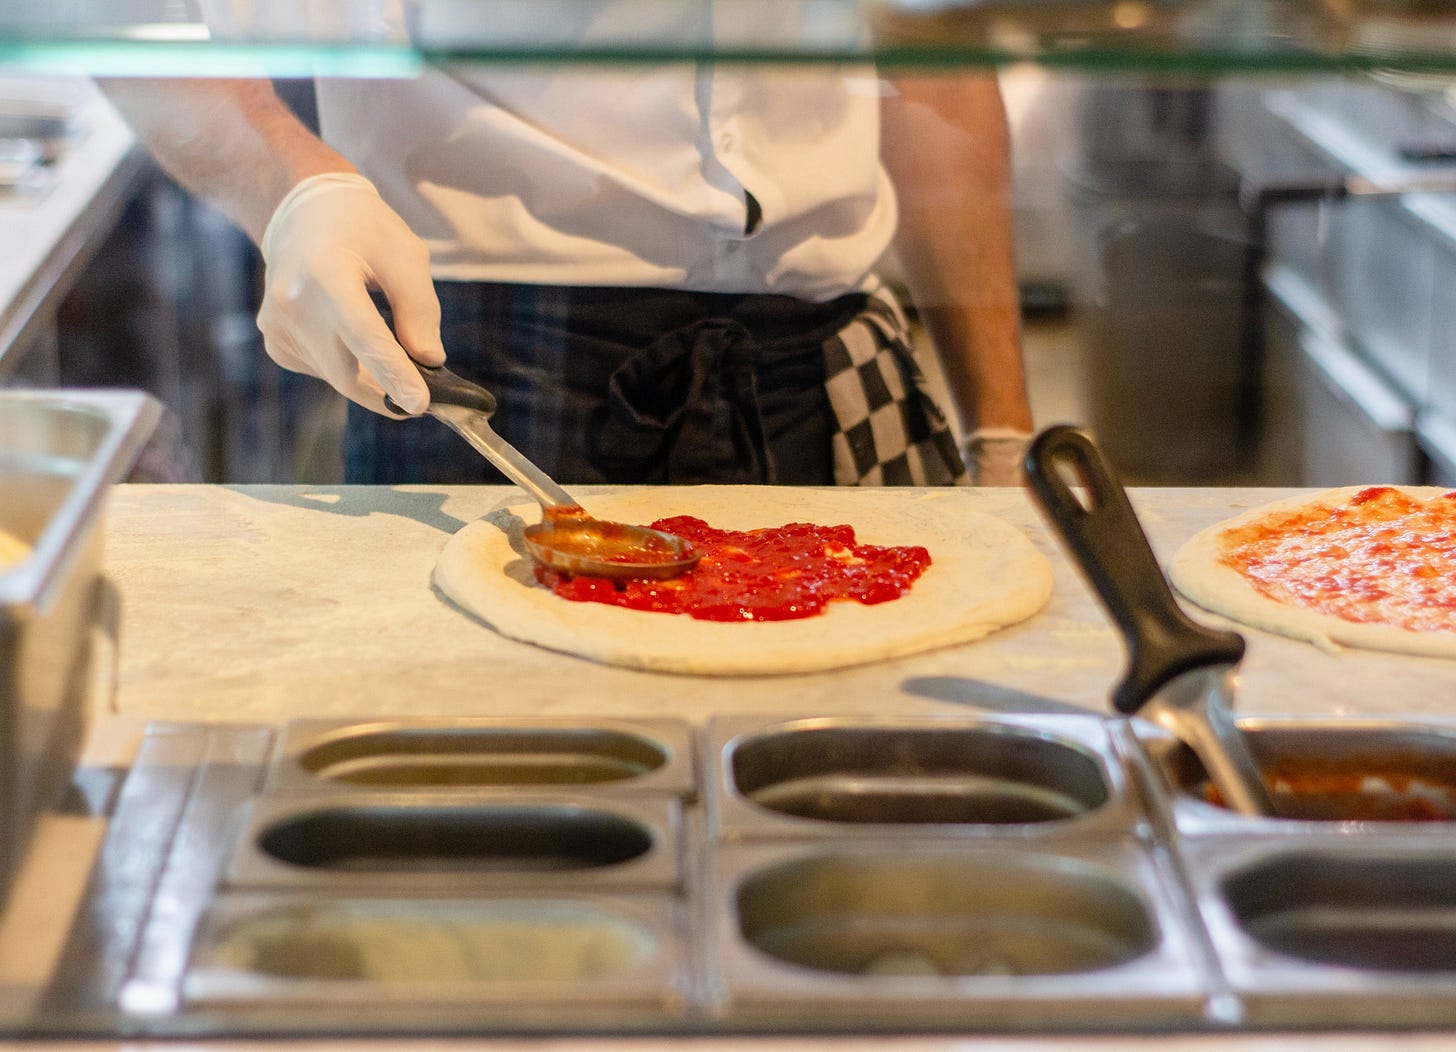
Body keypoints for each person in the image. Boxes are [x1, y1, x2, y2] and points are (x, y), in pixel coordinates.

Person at [100, 22, 1032, 487]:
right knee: (486, 823)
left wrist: (1005, 434)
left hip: (826, 367)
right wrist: (293, 188)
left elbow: (934, 45)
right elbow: (131, 17)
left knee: (843, 811)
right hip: (482, 375)